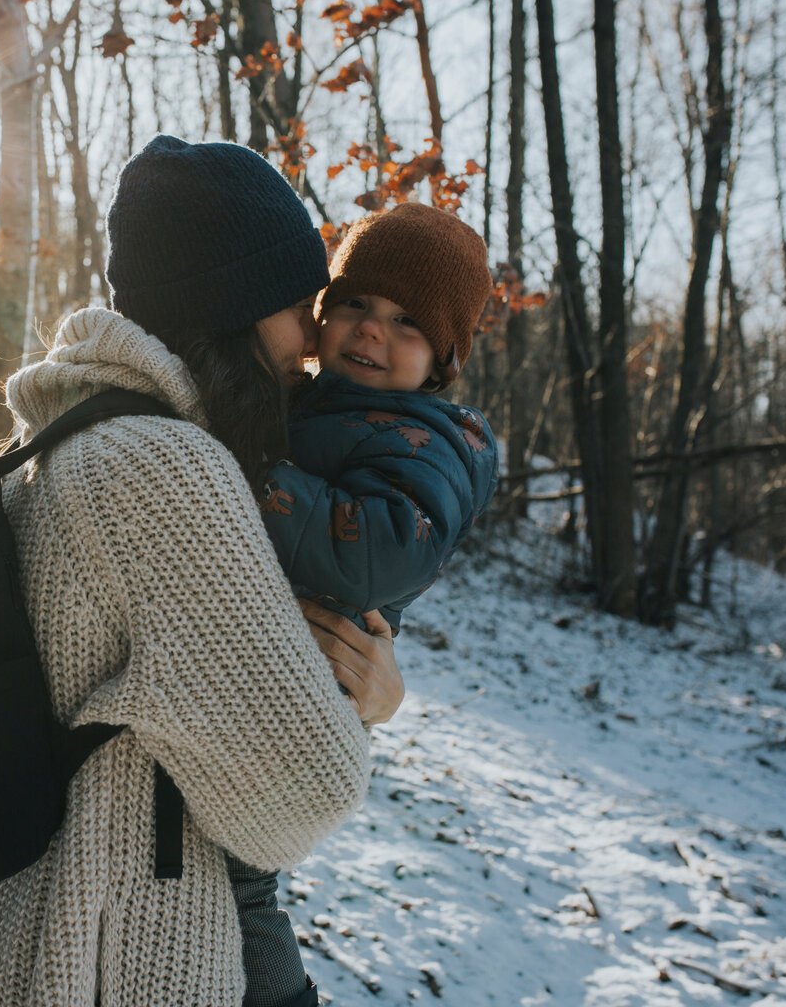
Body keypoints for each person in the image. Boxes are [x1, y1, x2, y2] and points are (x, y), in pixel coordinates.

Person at [0, 135, 404, 1007]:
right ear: (231, 304)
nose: (309, 344)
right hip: (93, 963)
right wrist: (369, 701)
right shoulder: (161, 469)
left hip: (18, 945)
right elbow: (302, 792)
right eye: (298, 307)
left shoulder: (69, 438)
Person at [231, 203, 501, 1007]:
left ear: (444, 361)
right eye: (355, 304)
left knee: (243, 892)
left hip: (296, 712)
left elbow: (376, 551)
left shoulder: (430, 442)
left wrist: (245, 477)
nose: (370, 331)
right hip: (256, 679)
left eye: (407, 322)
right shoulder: (309, 400)